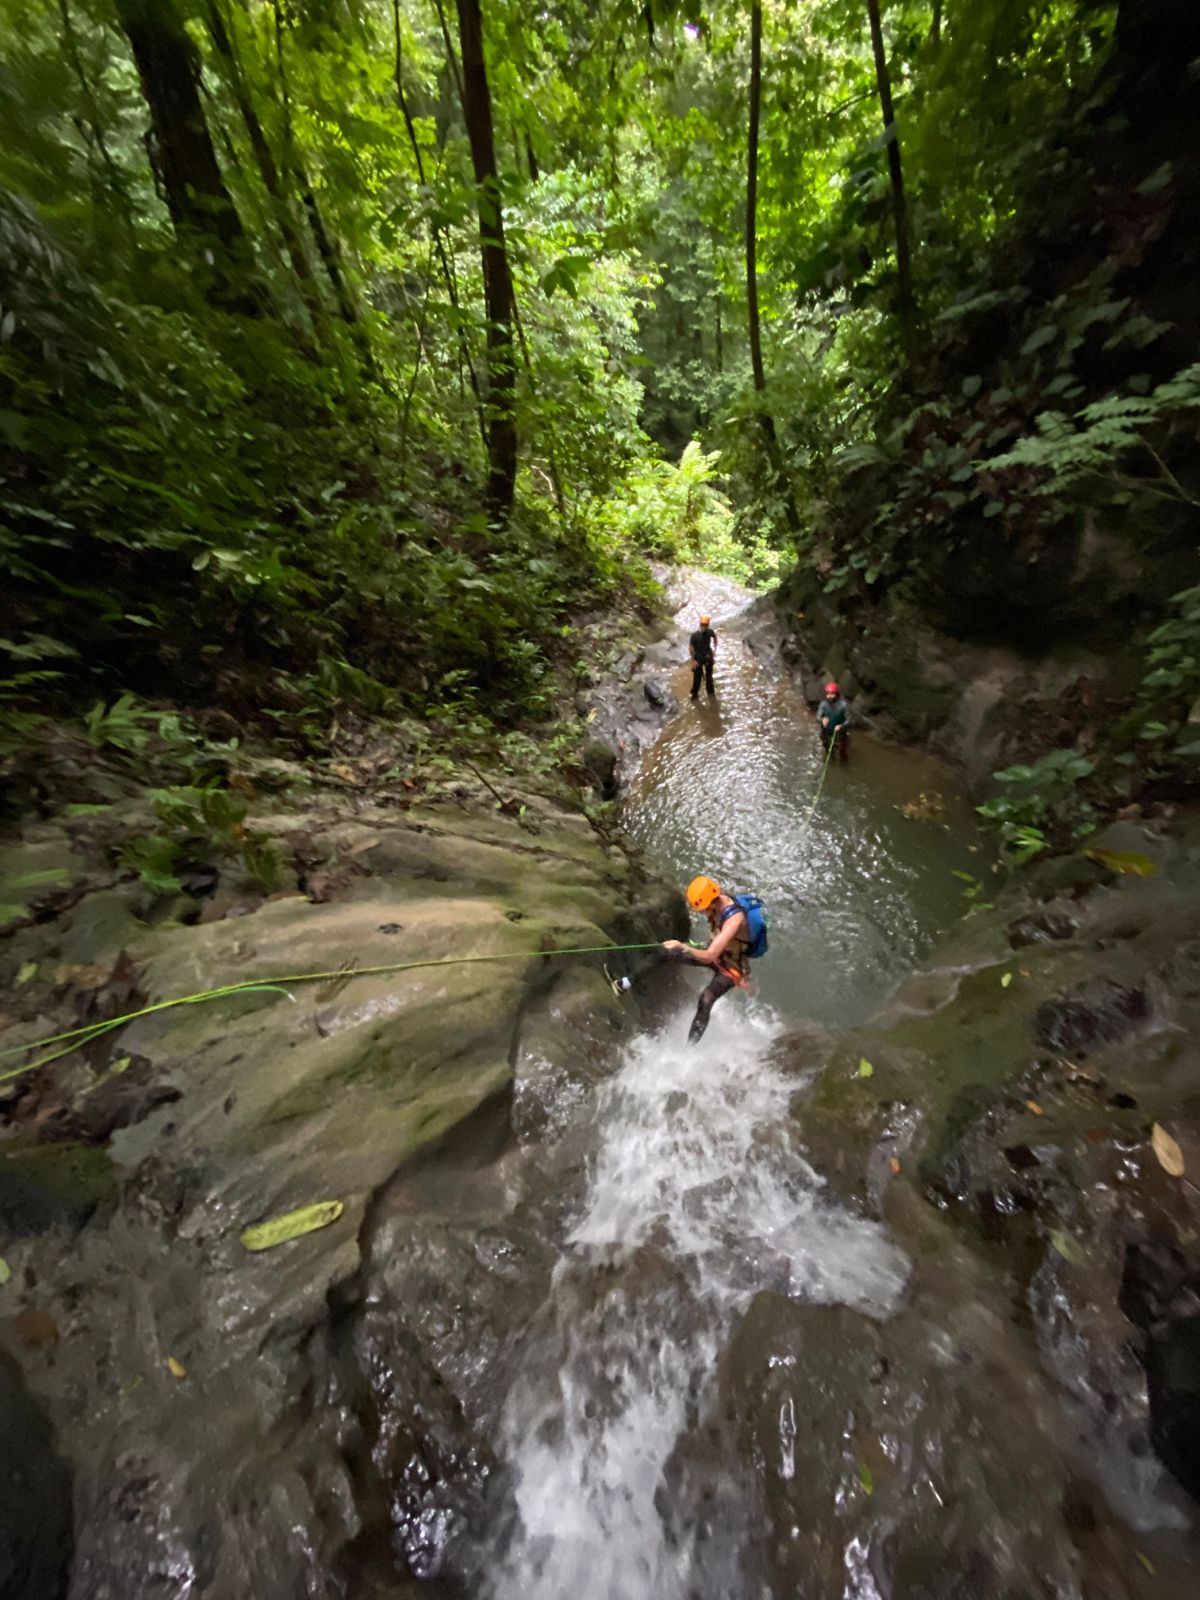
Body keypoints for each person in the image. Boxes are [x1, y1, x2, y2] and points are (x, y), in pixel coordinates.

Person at [662, 875, 750, 1044]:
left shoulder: (734, 918)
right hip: (717, 955)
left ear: (712, 901)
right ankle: (624, 983)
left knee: (706, 999)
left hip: (732, 968)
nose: (701, 912)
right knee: (668, 953)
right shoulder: (717, 904)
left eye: (703, 908)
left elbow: (710, 955)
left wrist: (684, 946)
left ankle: (689, 1049)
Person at [817, 680, 849, 761]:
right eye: (828, 694)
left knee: (842, 750)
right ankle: (831, 758)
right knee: (827, 746)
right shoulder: (823, 704)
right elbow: (817, 716)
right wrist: (822, 719)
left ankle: (843, 761)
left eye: (832, 694)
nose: (829, 696)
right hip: (827, 730)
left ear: (836, 694)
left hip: (840, 731)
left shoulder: (843, 705)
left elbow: (849, 720)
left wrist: (841, 726)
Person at [689, 614, 717, 700]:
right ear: (700, 624)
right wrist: (693, 661)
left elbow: (715, 637)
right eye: (702, 625)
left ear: (708, 625)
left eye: (705, 625)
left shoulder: (710, 632)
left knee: (709, 678)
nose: (703, 627)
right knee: (697, 679)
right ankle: (694, 694)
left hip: (708, 656)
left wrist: (714, 650)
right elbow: (690, 647)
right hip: (698, 658)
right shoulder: (694, 635)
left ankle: (711, 694)